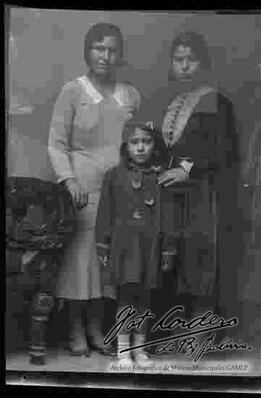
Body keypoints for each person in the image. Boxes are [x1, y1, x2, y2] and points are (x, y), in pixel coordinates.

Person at [48, 23, 140, 356]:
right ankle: (74, 329)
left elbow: (138, 142)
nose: (105, 55)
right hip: (82, 189)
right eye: (99, 48)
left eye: (112, 49)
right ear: (88, 51)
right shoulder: (72, 91)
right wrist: (69, 182)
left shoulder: (130, 94)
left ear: (120, 55)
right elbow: (56, 144)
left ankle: (96, 328)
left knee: (108, 260)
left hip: (119, 189)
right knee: (80, 259)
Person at [140, 31, 239, 341]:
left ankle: (199, 335)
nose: (184, 66)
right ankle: (167, 332)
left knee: (199, 259)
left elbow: (224, 148)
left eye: (191, 60)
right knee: (167, 259)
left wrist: (187, 168)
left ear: (203, 64)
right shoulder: (164, 100)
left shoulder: (216, 100)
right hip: (168, 193)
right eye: (178, 59)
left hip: (202, 194)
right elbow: (154, 141)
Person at [95, 118, 181, 366]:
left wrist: (168, 249)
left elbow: (169, 217)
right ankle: (123, 350)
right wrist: (103, 245)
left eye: (146, 142)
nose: (141, 147)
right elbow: (104, 213)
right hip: (124, 247)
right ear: (126, 146)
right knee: (125, 298)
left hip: (150, 247)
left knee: (144, 299)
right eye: (134, 142)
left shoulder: (161, 177)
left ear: (154, 145)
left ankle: (140, 349)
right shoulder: (114, 176)